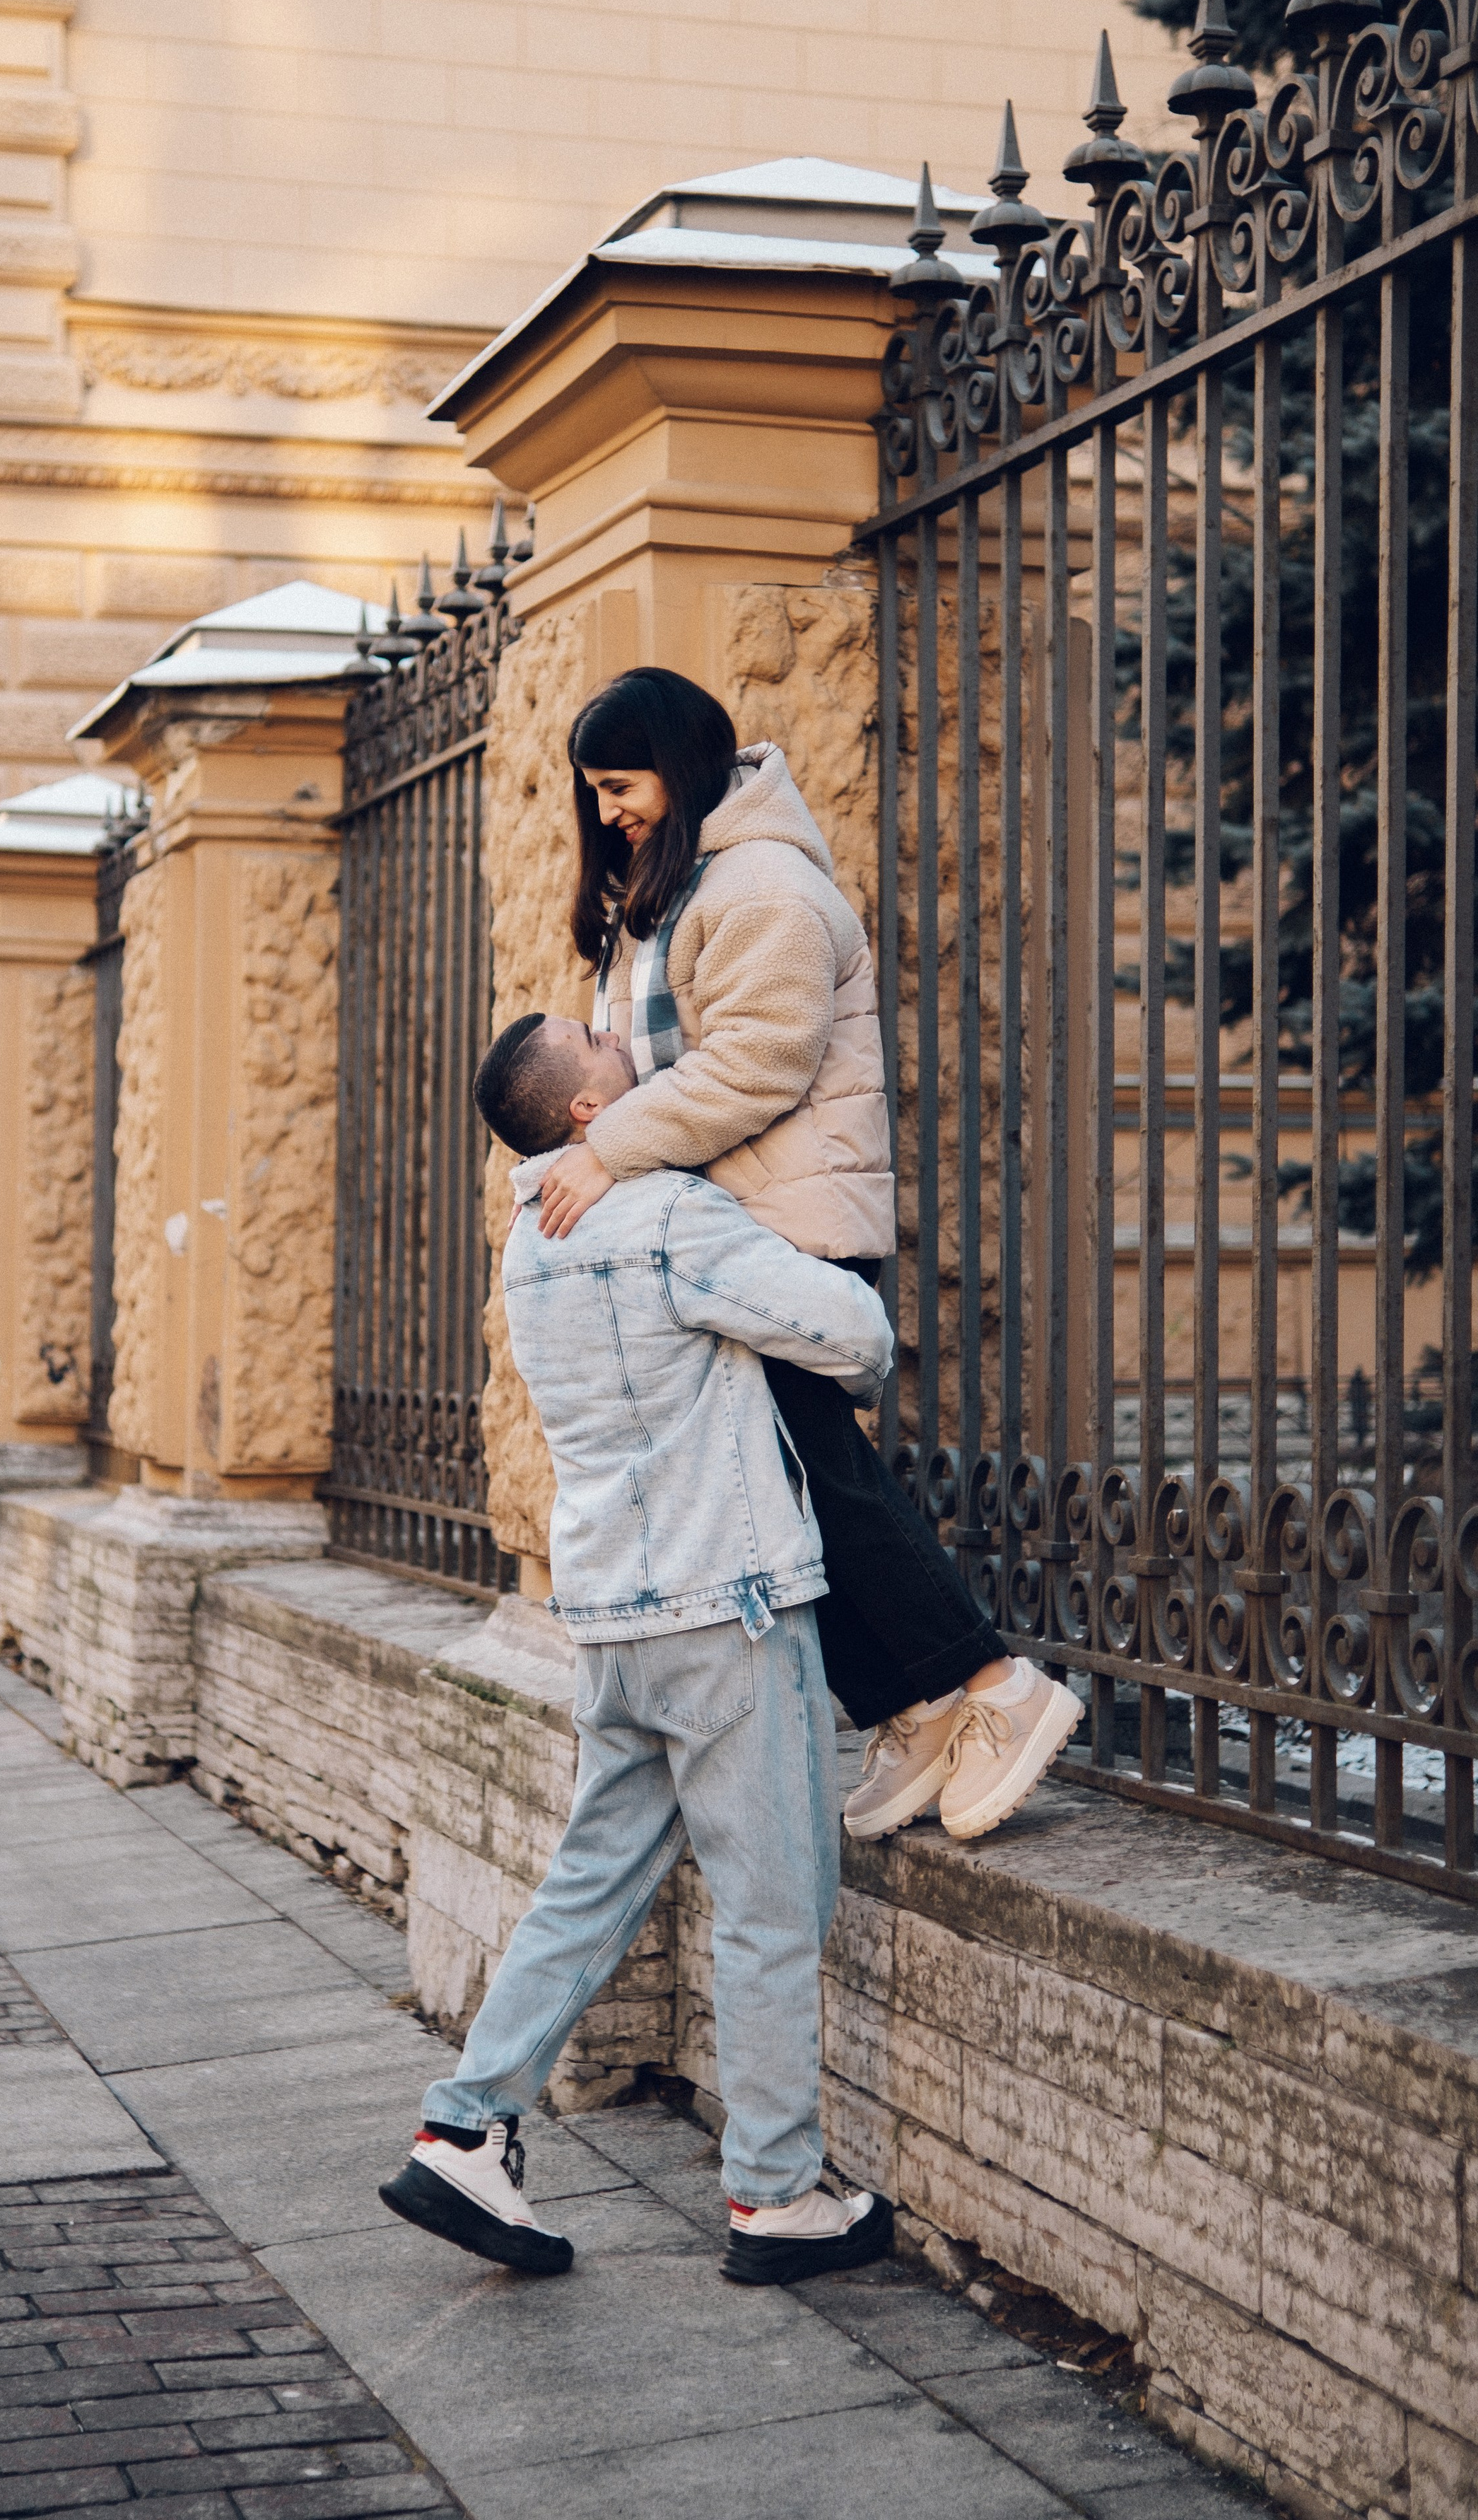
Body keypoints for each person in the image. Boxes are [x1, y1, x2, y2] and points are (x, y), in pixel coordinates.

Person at [380, 1010, 897, 2286]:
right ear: (581, 1111)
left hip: (613, 1614)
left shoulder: (531, 1237)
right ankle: (776, 2197)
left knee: (594, 1879)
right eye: (593, 1038)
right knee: (776, 1904)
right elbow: (856, 1336)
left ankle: (465, 2121)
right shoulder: (666, 1216)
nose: (617, 1030)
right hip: (729, 1608)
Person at [534, 666, 1079, 1844]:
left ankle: (998, 1688)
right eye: (597, 792)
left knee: (821, 1481)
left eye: (620, 785)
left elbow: (756, 1067)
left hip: (797, 1235)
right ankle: (914, 1704)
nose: (610, 809)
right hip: (733, 1236)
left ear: (678, 764)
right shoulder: (676, 892)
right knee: (778, 1497)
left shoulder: (767, 888)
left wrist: (606, 1152)